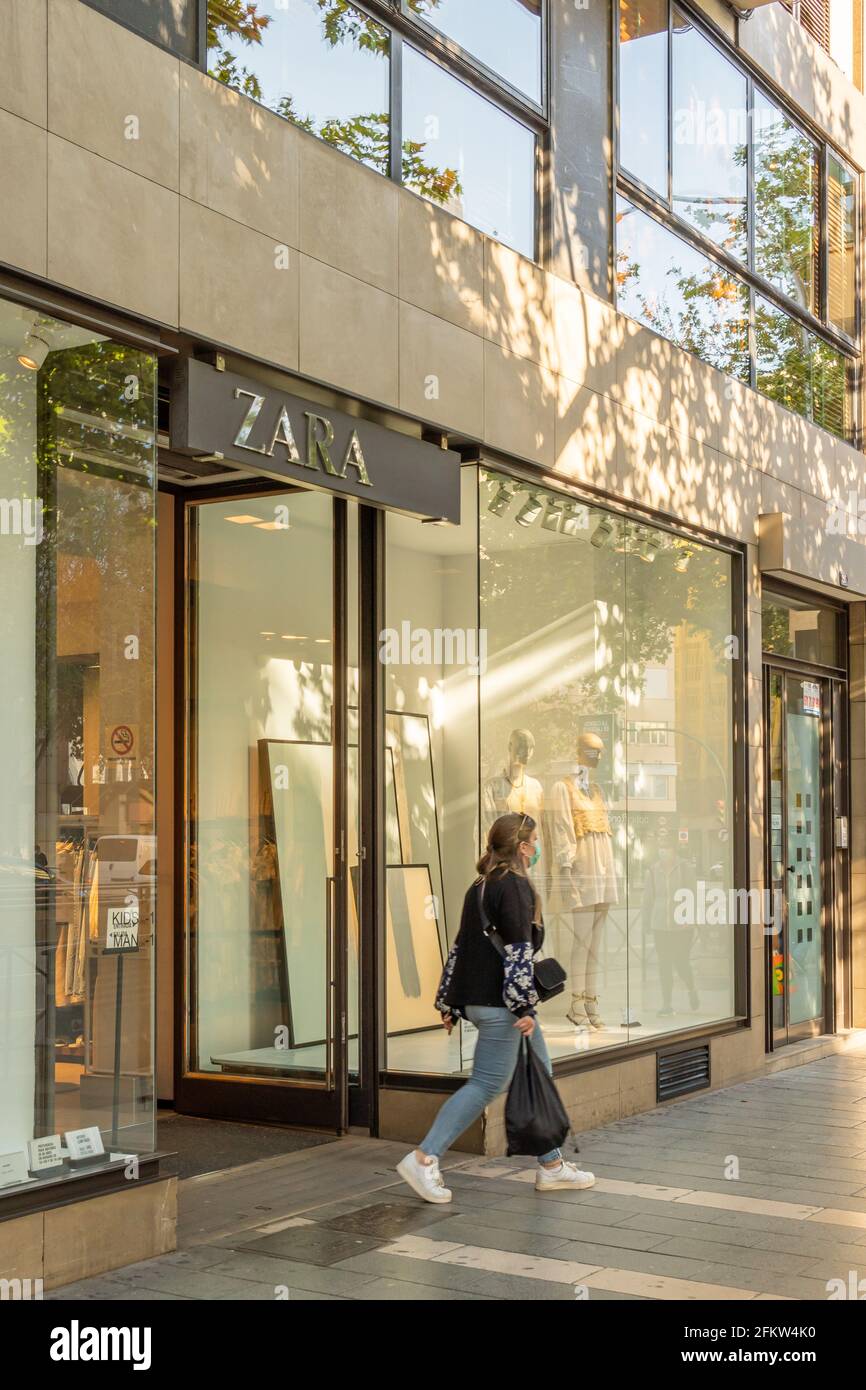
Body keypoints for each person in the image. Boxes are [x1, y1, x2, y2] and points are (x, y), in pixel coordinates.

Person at [396, 812, 596, 1204]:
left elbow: (462, 947)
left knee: (541, 1067)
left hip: (482, 999)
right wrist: (523, 1007)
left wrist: (449, 1001)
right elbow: (518, 954)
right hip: (502, 1004)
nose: (537, 849)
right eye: (534, 842)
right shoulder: (515, 888)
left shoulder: (480, 886)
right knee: (486, 1084)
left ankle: (552, 1166)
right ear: (522, 848)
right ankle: (423, 1158)